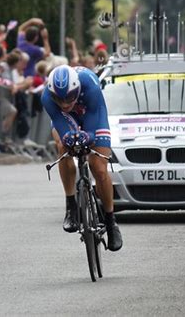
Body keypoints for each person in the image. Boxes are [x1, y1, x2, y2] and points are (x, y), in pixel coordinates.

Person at [41, 64, 122, 252]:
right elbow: (60, 119)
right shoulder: (47, 97)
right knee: (63, 146)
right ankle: (71, 205)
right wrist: (69, 137)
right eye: (59, 99)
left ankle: (111, 222)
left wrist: (89, 136)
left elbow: (94, 117)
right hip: (66, 118)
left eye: (69, 97)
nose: (64, 103)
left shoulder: (90, 85)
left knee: (99, 166)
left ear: (77, 89)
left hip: (93, 112)